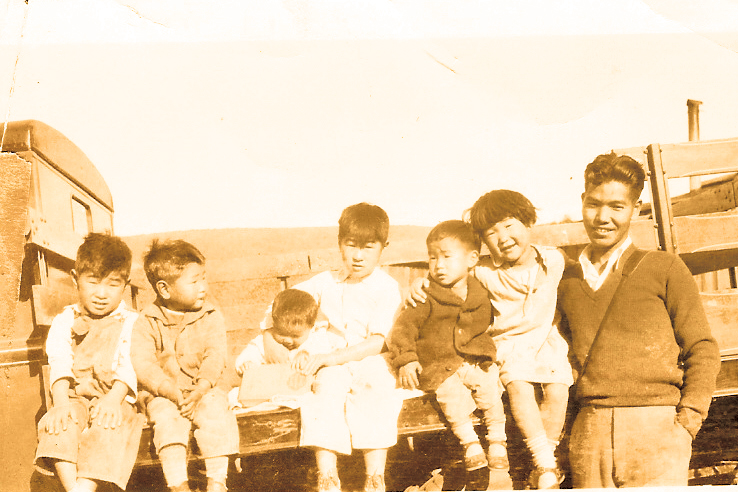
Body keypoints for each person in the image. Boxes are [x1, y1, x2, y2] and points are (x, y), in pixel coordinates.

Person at [558, 152, 720, 487]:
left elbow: (702, 349)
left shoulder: (664, 267)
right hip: (590, 430)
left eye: (617, 206)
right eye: (594, 204)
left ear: (636, 208)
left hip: (657, 429)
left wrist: (687, 421)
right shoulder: (563, 280)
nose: (603, 216)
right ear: (582, 202)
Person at [409, 190, 573, 489]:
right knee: (519, 385)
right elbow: (448, 274)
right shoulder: (483, 271)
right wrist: (422, 283)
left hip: (546, 340)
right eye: (492, 232)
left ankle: (544, 462)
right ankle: (546, 464)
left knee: (559, 390)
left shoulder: (553, 259)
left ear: (527, 222)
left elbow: (579, 275)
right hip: (509, 344)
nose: (503, 237)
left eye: (509, 225)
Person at [261, 202, 403, 492]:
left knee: (375, 390)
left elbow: (378, 342)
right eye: (351, 246)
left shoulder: (386, 287)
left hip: (371, 357)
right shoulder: (327, 281)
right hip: (331, 362)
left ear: (383, 248)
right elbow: (282, 301)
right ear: (340, 244)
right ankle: (327, 477)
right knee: (323, 392)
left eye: (368, 247)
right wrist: (267, 336)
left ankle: (375, 478)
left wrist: (329, 357)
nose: (358, 256)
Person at [387, 220, 501, 491]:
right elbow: (402, 329)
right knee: (450, 394)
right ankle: (470, 443)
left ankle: (498, 439)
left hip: (470, 360)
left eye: (447, 257)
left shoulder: (479, 291)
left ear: (472, 259)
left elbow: (484, 324)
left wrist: (483, 353)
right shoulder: (425, 295)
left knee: (490, 385)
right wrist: (408, 359)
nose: (438, 265)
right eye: (432, 257)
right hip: (439, 365)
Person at [34, 233, 143, 492]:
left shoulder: (130, 321)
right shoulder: (66, 319)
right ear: (75, 279)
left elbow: (129, 365)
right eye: (93, 282)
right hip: (76, 396)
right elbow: (60, 360)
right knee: (58, 424)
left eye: (113, 284)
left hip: (115, 397)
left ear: (125, 284)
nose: (102, 294)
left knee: (110, 425)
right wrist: (60, 404)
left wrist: (112, 399)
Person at [131, 239, 238, 492]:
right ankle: (178, 485)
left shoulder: (210, 316)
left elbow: (215, 355)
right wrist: (169, 390)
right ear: (165, 290)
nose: (204, 287)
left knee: (215, 409)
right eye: (195, 281)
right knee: (165, 417)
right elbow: (143, 364)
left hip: (205, 388)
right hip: (165, 393)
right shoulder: (147, 321)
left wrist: (201, 388)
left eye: (204, 278)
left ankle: (217, 482)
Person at [234, 288, 344, 375]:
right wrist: (246, 363)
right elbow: (252, 351)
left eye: (295, 336)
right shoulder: (264, 342)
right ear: (273, 325)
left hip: (302, 387)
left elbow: (323, 349)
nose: (287, 340)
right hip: (270, 387)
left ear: (310, 327)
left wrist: (305, 353)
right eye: (281, 333)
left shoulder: (314, 338)